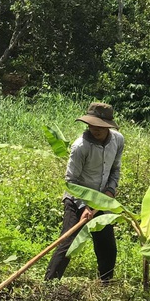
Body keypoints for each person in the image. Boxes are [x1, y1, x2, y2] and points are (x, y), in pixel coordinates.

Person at [44, 102, 124, 282]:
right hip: (76, 199)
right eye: (92, 125)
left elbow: (115, 169)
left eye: (100, 126)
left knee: (107, 247)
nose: (95, 129)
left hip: (102, 200)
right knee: (67, 242)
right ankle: (48, 285)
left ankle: (106, 284)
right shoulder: (80, 147)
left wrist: (110, 190)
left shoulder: (118, 140)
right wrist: (83, 206)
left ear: (108, 126)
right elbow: (71, 181)